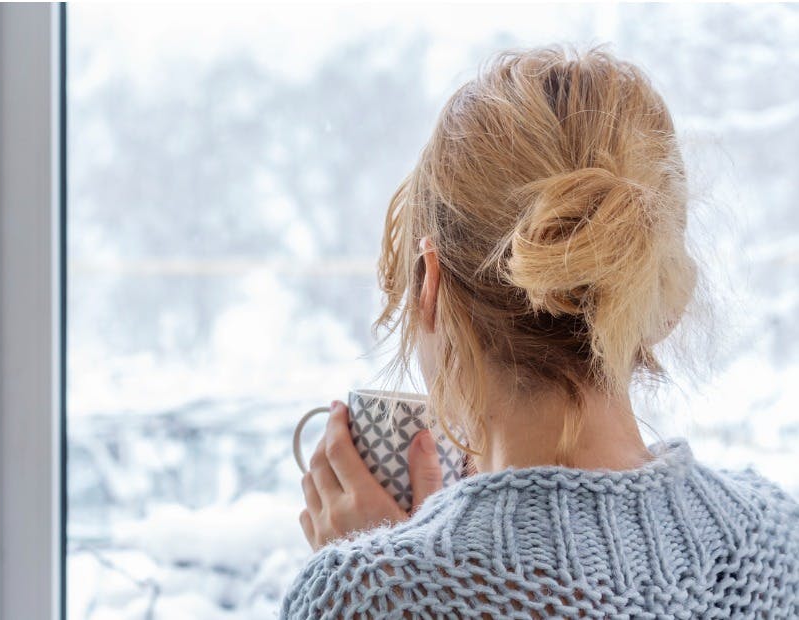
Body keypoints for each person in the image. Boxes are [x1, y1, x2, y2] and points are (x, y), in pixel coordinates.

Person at [282, 45, 799, 618]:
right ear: (660, 294)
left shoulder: (364, 594)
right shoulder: (778, 541)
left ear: (430, 286)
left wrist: (384, 580)